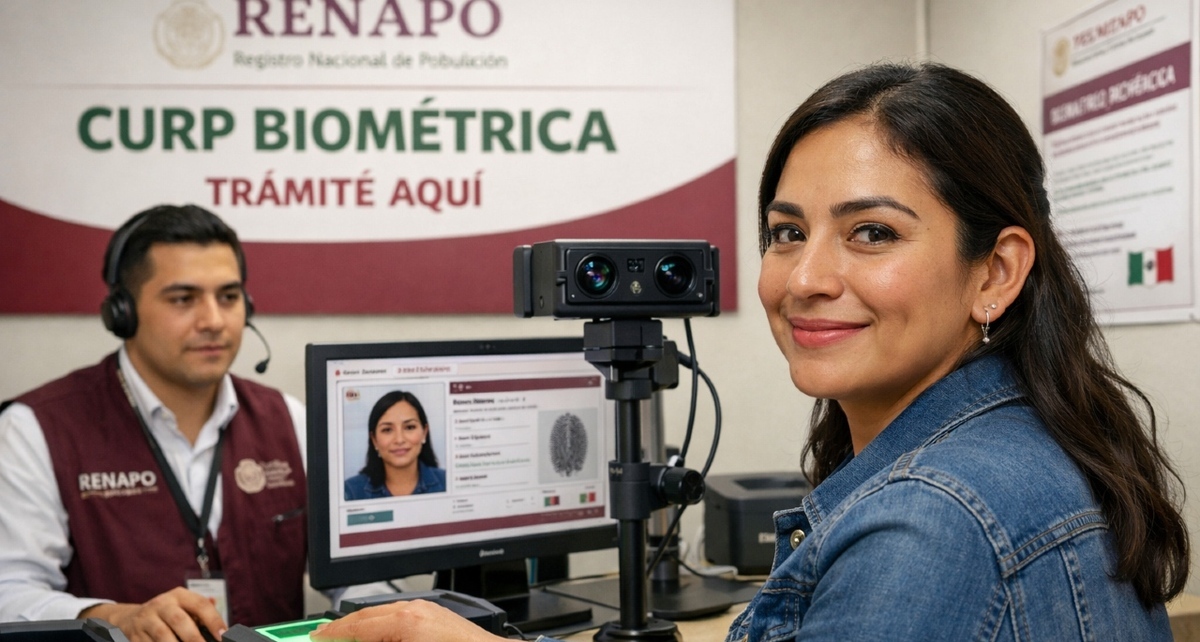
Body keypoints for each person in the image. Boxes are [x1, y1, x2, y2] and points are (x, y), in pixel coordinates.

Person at [307, 61, 1192, 641]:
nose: (803, 277)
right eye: (784, 232)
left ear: (995, 271)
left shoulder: (930, 525)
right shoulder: (1033, 444)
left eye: (871, 233)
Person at [0, 205, 310, 642]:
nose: (214, 321)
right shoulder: (35, 430)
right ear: (122, 312)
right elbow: (8, 592)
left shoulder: (290, 421)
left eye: (228, 297)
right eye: (183, 299)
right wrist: (112, 617)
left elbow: (359, 577)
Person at [344, 391, 446, 499]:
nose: (399, 440)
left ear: (424, 433)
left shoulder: (447, 481)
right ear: (374, 440)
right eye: (387, 430)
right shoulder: (351, 491)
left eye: (409, 427)